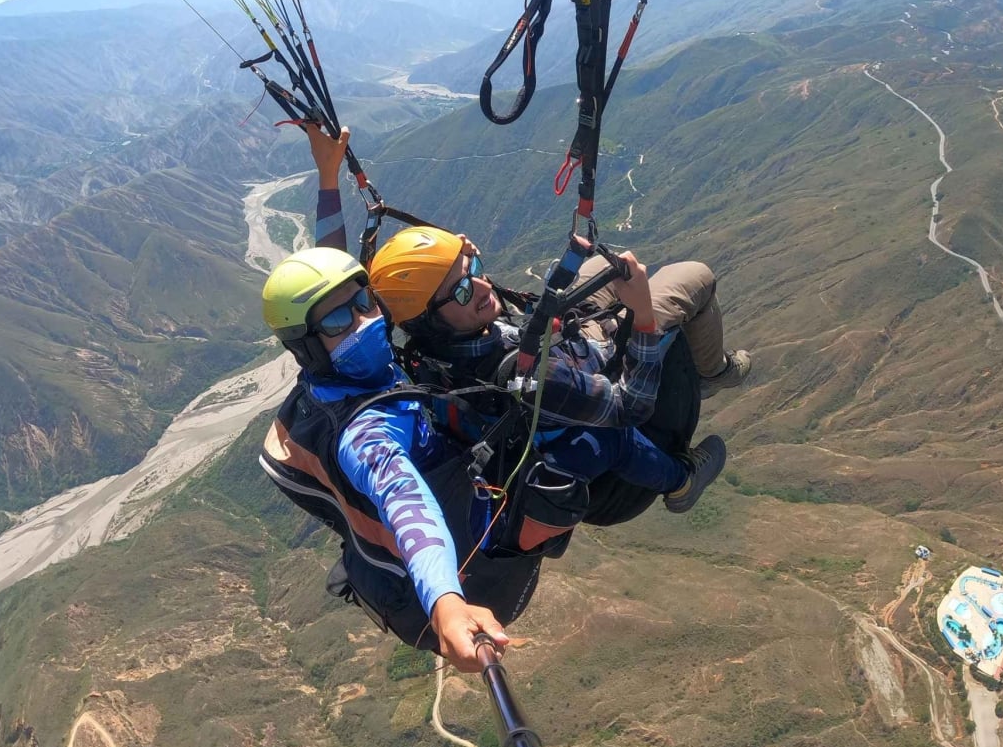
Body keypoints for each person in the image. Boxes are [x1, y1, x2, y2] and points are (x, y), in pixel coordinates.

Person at [307, 124, 750, 510]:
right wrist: (643, 318)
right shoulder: (525, 376)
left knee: (606, 266)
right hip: (582, 368)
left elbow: (336, 292)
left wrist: (329, 177)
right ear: (429, 317)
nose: (482, 287)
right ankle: (708, 390)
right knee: (695, 277)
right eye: (463, 289)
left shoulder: (416, 343)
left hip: (551, 334)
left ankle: (659, 326)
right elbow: (631, 408)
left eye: (474, 270)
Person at [258, 245, 522, 673]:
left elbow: (336, 261)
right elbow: (404, 499)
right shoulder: (365, 435)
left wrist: (329, 182)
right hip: (453, 579)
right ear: (308, 348)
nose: (365, 320)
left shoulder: (342, 376)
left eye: (365, 301)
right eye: (339, 320)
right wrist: (446, 602)